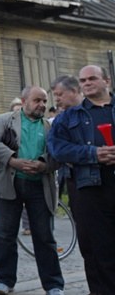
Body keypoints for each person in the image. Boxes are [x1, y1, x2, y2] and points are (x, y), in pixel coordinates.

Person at [0, 86, 64, 295]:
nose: (42, 105)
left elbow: (57, 154)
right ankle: (4, 280)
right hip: (8, 184)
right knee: (4, 235)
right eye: (37, 100)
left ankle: (53, 284)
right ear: (24, 101)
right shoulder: (4, 120)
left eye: (44, 101)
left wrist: (43, 165)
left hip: (39, 185)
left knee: (45, 236)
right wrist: (13, 160)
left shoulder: (49, 126)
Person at [48, 65, 115, 295]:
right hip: (88, 189)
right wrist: (92, 154)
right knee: (97, 250)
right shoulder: (68, 117)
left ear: (106, 80)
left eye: (92, 78)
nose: (87, 83)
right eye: (83, 80)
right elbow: (57, 148)